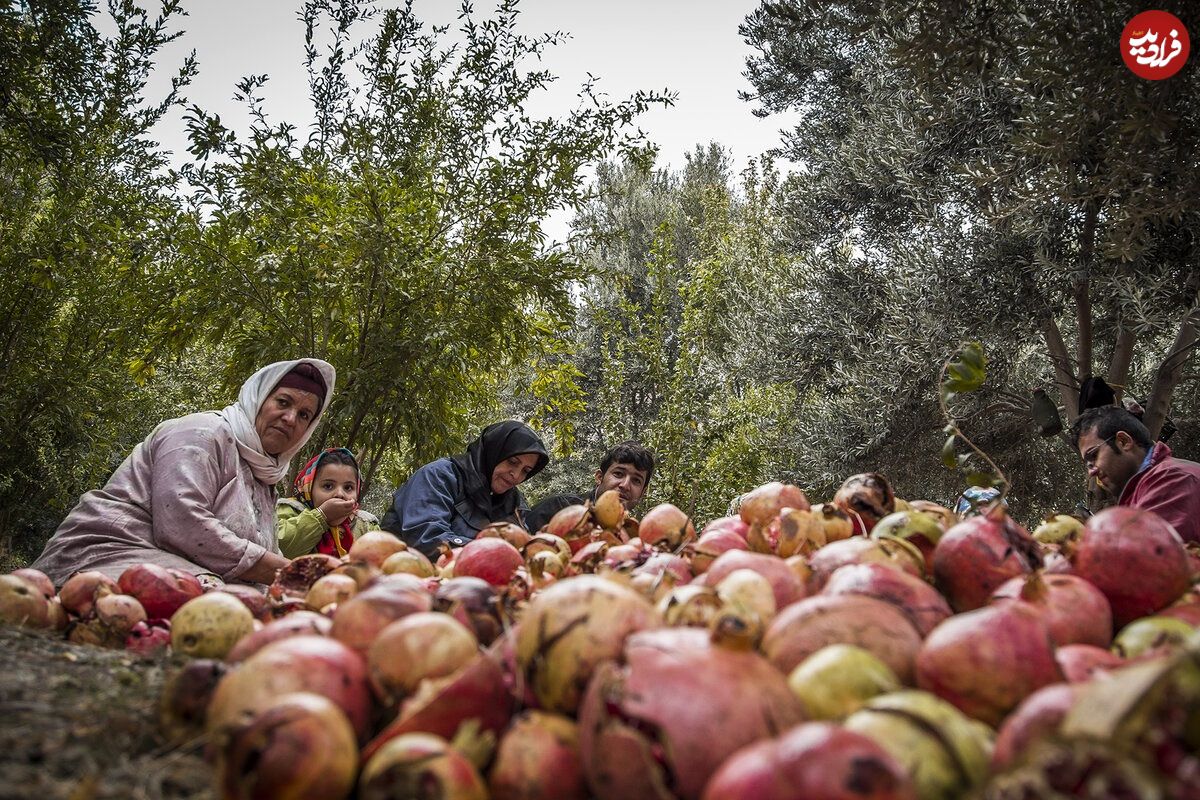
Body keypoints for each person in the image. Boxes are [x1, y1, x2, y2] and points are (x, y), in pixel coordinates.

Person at [32, 359, 336, 586]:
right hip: (106, 554)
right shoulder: (203, 432)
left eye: (304, 415)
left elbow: (263, 554)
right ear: (258, 399)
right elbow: (182, 523)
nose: (289, 418)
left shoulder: (265, 480)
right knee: (227, 609)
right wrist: (295, 575)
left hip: (181, 570)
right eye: (283, 402)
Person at [381, 420, 550, 557]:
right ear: (493, 452)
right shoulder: (439, 476)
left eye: (526, 471)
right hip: (403, 581)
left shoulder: (513, 502)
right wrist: (497, 554)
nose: (516, 475)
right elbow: (426, 539)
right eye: (512, 462)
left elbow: (524, 547)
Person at [1071, 406, 1200, 543]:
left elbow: (1144, 557)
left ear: (1124, 441)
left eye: (1093, 456)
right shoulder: (1144, 490)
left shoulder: (1174, 480)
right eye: (1088, 464)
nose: (1092, 472)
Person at [524, 441, 655, 534]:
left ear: (642, 493)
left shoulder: (633, 535)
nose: (625, 485)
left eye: (636, 480)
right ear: (599, 477)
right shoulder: (557, 508)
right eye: (618, 474)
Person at [276, 447, 379, 558]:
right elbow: (278, 548)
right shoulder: (290, 510)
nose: (340, 494)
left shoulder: (366, 524)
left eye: (348, 487)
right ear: (309, 489)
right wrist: (321, 515)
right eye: (328, 486)